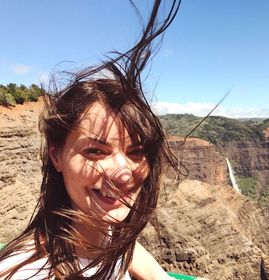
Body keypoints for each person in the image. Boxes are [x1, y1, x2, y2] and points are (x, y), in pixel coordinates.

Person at [0, 0, 181, 279]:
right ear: (56, 156)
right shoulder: (29, 272)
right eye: (96, 151)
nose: (122, 174)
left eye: (136, 152)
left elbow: (123, 246)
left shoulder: (101, 229)